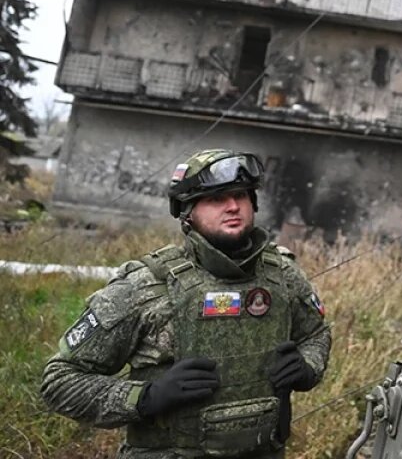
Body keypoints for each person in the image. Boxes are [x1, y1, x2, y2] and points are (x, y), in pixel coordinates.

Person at [42, 149, 331, 458]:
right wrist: (146, 397)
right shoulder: (146, 286)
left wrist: (306, 367)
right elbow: (60, 381)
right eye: (216, 199)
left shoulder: (283, 275)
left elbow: (316, 334)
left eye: (240, 196)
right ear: (188, 212)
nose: (233, 206)